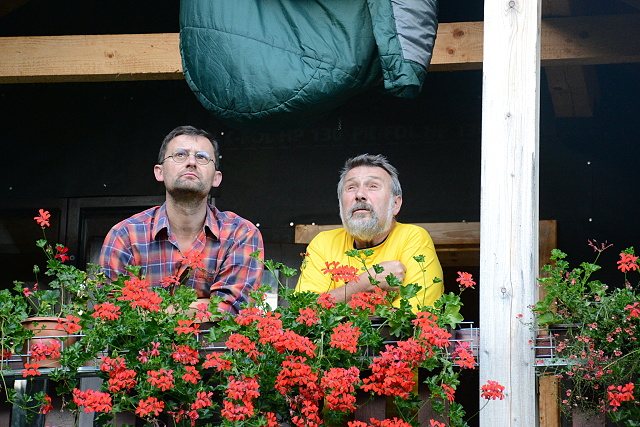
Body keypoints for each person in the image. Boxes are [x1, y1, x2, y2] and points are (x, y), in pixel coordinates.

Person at [99, 125, 263, 314]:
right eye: (180, 155)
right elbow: (114, 313)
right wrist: (206, 305)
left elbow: (231, 309)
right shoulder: (126, 235)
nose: (191, 162)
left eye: (202, 157)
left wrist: (150, 313)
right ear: (159, 172)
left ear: (216, 178)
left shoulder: (240, 234)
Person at [296, 154, 443, 309]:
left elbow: (414, 317)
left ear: (395, 204)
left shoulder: (412, 237)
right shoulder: (324, 243)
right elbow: (303, 311)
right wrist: (365, 283)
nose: (359, 195)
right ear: (340, 204)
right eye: (351, 187)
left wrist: (338, 301)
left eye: (373, 186)